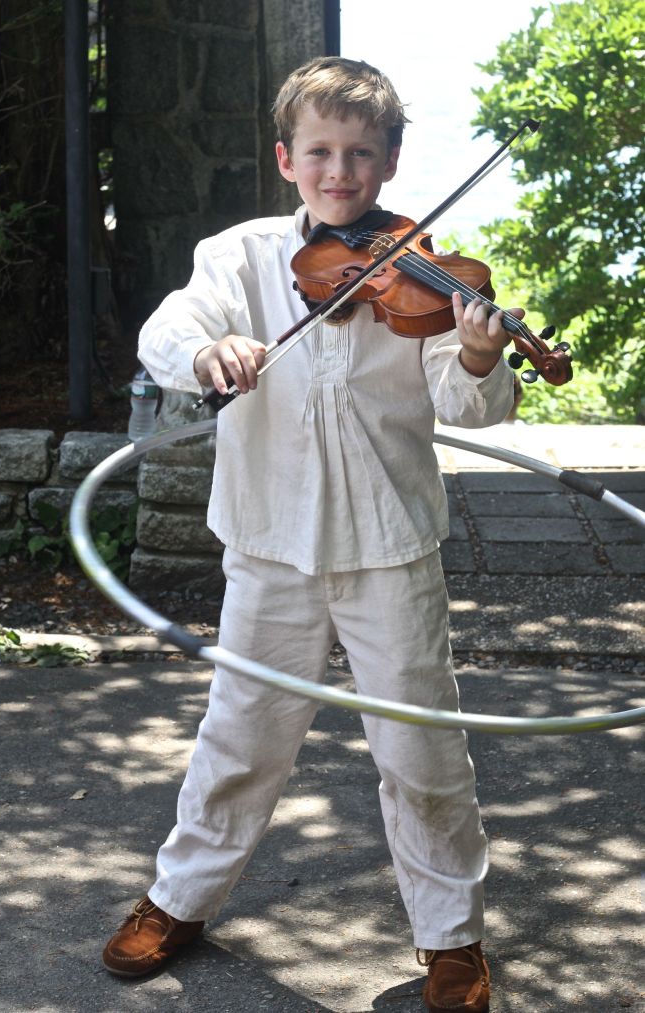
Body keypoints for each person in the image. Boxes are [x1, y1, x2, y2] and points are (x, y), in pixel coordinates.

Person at [103, 56, 522, 1013]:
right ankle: (179, 899)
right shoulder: (241, 256)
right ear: (288, 158)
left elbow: (467, 402)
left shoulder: (424, 270)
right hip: (268, 542)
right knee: (241, 736)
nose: (341, 173)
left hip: (390, 548)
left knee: (422, 751)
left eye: (361, 155)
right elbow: (169, 330)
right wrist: (209, 349)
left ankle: (452, 939)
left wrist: (480, 349)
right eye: (322, 152)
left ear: (390, 162)